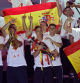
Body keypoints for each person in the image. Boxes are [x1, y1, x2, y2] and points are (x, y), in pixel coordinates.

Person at [6, 14, 33, 83]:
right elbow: (3, 29)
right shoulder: (6, 37)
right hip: (10, 65)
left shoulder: (20, 36)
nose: (13, 30)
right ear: (9, 30)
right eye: (11, 28)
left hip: (20, 65)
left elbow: (19, 43)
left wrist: (28, 21)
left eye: (14, 28)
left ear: (16, 30)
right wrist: (9, 23)